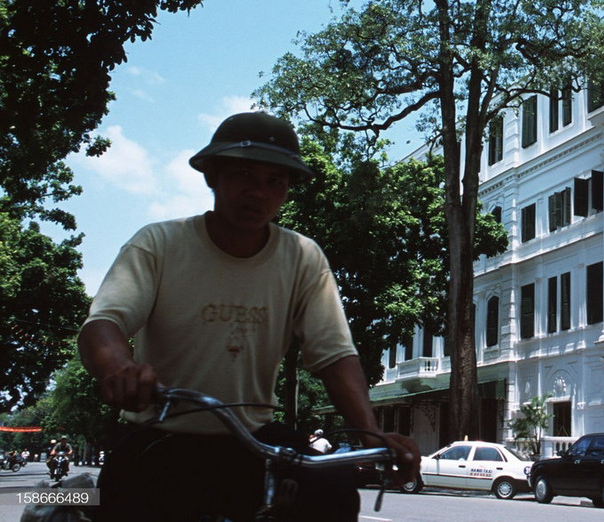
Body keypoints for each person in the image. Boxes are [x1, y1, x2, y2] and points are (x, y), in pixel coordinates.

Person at [77, 112, 420, 521]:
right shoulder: (159, 243)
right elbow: (104, 322)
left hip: (252, 440)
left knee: (335, 495)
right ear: (212, 177)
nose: (258, 193)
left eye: (275, 181)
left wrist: (371, 435)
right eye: (244, 174)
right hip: (162, 433)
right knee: (118, 501)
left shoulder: (303, 259)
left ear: (287, 192)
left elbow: (334, 356)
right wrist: (120, 367)